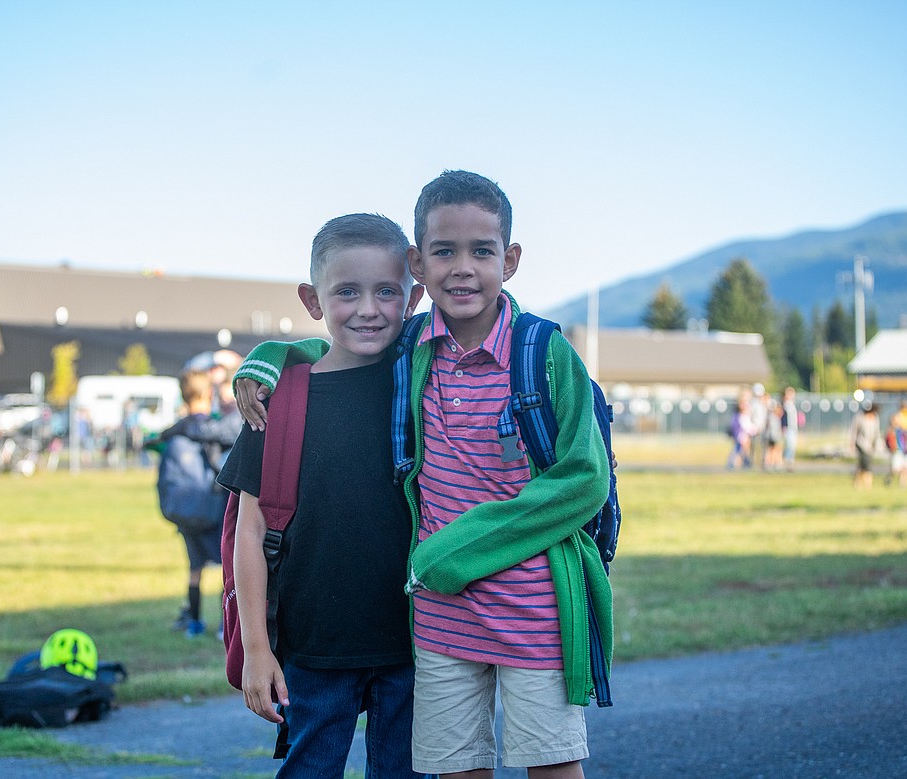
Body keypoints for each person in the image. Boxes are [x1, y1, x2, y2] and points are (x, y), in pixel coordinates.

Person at [233, 172, 612, 778]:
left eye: (482, 251)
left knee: (520, 766)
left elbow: (584, 478)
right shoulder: (395, 357)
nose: (462, 267)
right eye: (444, 251)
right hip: (415, 627)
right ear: (420, 264)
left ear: (508, 260)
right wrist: (265, 359)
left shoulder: (493, 353)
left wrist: (454, 548)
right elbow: (330, 348)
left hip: (491, 618)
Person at [217, 213, 427, 778]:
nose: (368, 308)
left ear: (414, 296)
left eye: (387, 291)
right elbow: (251, 533)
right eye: (347, 292)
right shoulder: (279, 402)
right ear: (314, 299)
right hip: (311, 650)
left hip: (416, 645)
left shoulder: (426, 386)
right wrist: (257, 651)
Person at [158, 351, 243, 638]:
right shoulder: (207, 427)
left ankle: (193, 622)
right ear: (208, 393)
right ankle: (224, 625)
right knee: (225, 566)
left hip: (183, 510)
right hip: (212, 506)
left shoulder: (175, 432)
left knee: (194, 568)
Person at [849, 401, 881, 489]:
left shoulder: (875, 418)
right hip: (861, 444)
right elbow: (854, 430)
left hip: (870, 446)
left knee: (863, 466)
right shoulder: (860, 417)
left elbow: (877, 433)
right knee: (866, 465)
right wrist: (851, 443)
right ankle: (865, 485)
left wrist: (876, 444)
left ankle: (860, 483)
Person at [726, 394, 757, 471]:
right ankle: (735, 463)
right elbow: (744, 426)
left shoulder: (745, 415)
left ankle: (742, 463)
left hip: (744, 435)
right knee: (739, 449)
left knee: (740, 449)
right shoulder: (739, 416)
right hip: (741, 435)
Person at [781, 386, 799, 471]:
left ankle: (791, 462)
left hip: (793, 428)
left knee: (792, 446)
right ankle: (787, 463)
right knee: (789, 446)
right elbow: (783, 418)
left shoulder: (792, 405)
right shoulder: (785, 405)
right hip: (788, 429)